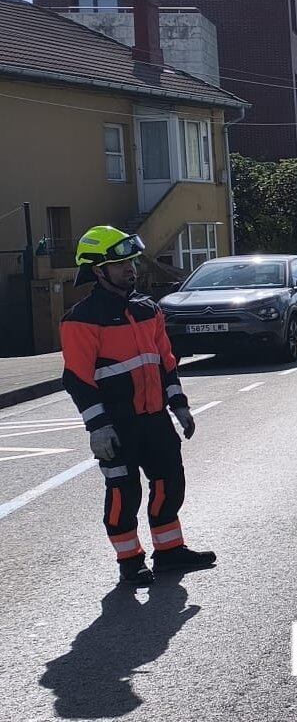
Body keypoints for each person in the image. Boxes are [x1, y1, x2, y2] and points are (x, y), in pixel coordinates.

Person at [61, 226, 216, 586]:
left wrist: (179, 405)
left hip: (154, 419)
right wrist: (98, 426)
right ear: (98, 271)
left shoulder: (148, 310)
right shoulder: (81, 319)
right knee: (123, 491)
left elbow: (166, 361)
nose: (130, 269)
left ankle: (169, 552)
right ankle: (130, 561)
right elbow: (78, 380)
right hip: (117, 424)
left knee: (169, 481)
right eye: (120, 264)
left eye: (130, 262)